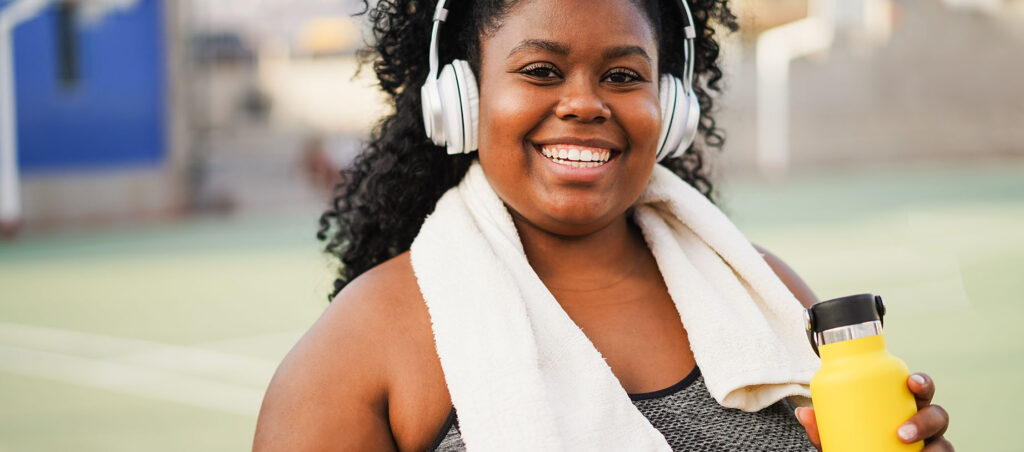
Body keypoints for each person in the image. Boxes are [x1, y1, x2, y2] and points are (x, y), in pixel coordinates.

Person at [253, 0, 952, 450]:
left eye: (622, 76)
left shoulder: (767, 292)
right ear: (462, 99)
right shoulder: (362, 350)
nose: (584, 104)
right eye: (540, 71)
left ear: (671, 108)